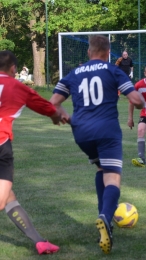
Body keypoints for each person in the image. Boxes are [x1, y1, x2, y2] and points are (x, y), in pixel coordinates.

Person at [49, 35, 144, 254]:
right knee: (113, 178)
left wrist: (64, 117)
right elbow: (136, 100)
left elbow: (52, 104)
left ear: (89, 52)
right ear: (108, 52)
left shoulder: (73, 74)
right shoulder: (113, 70)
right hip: (107, 131)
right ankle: (105, 217)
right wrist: (142, 102)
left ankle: (105, 217)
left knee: (101, 168)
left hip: (81, 133)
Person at [0, 50, 61, 255]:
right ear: (14, 69)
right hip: (1, 145)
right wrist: (58, 116)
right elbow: (47, 107)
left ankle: (39, 241)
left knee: (8, 197)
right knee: (1, 199)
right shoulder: (17, 86)